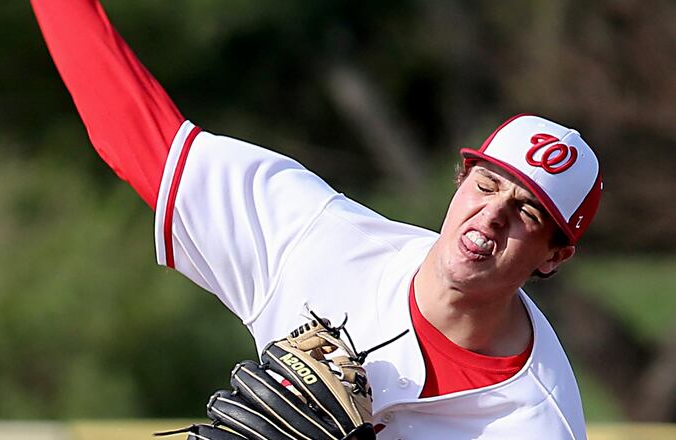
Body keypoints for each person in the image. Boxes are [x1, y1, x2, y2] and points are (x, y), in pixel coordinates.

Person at [30, 1, 602, 438]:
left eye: (527, 211)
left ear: (555, 254)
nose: (493, 214)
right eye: (486, 184)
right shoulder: (319, 240)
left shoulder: (536, 422)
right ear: (460, 180)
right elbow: (135, 136)